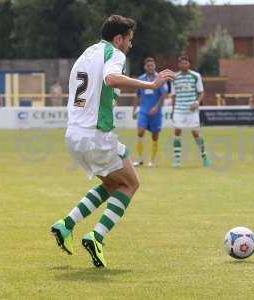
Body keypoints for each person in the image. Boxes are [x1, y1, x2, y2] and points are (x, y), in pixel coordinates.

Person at [50, 15, 175, 268]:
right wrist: (151, 85)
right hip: (96, 135)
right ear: (118, 39)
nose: (130, 45)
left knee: (112, 184)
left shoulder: (87, 53)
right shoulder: (115, 54)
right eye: (129, 40)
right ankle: (96, 236)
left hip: (73, 135)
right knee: (130, 184)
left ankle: (67, 224)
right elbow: (111, 79)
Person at [171, 55, 210, 168]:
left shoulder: (196, 76)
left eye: (186, 63)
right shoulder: (175, 77)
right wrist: (173, 110)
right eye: (182, 63)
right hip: (179, 109)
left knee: (195, 133)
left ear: (189, 64)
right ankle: (177, 159)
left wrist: (197, 103)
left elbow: (201, 92)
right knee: (177, 132)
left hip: (191, 110)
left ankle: (204, 156)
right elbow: (173, 95)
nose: (184, 65)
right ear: (179, 65)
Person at [132, 57, 168, 167]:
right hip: (143, 111)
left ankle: (152, 160)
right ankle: (139, 159)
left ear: (155, 66)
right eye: (148, 65)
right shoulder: (141, 78)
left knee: (155, 136)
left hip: (156, 112)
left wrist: (156, 107)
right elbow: (137, 95)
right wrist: (134, 109)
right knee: (140, 131)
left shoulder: (160, 78)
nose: (150, 67)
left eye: (152, 65)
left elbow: (164, 94)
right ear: (145, 67)